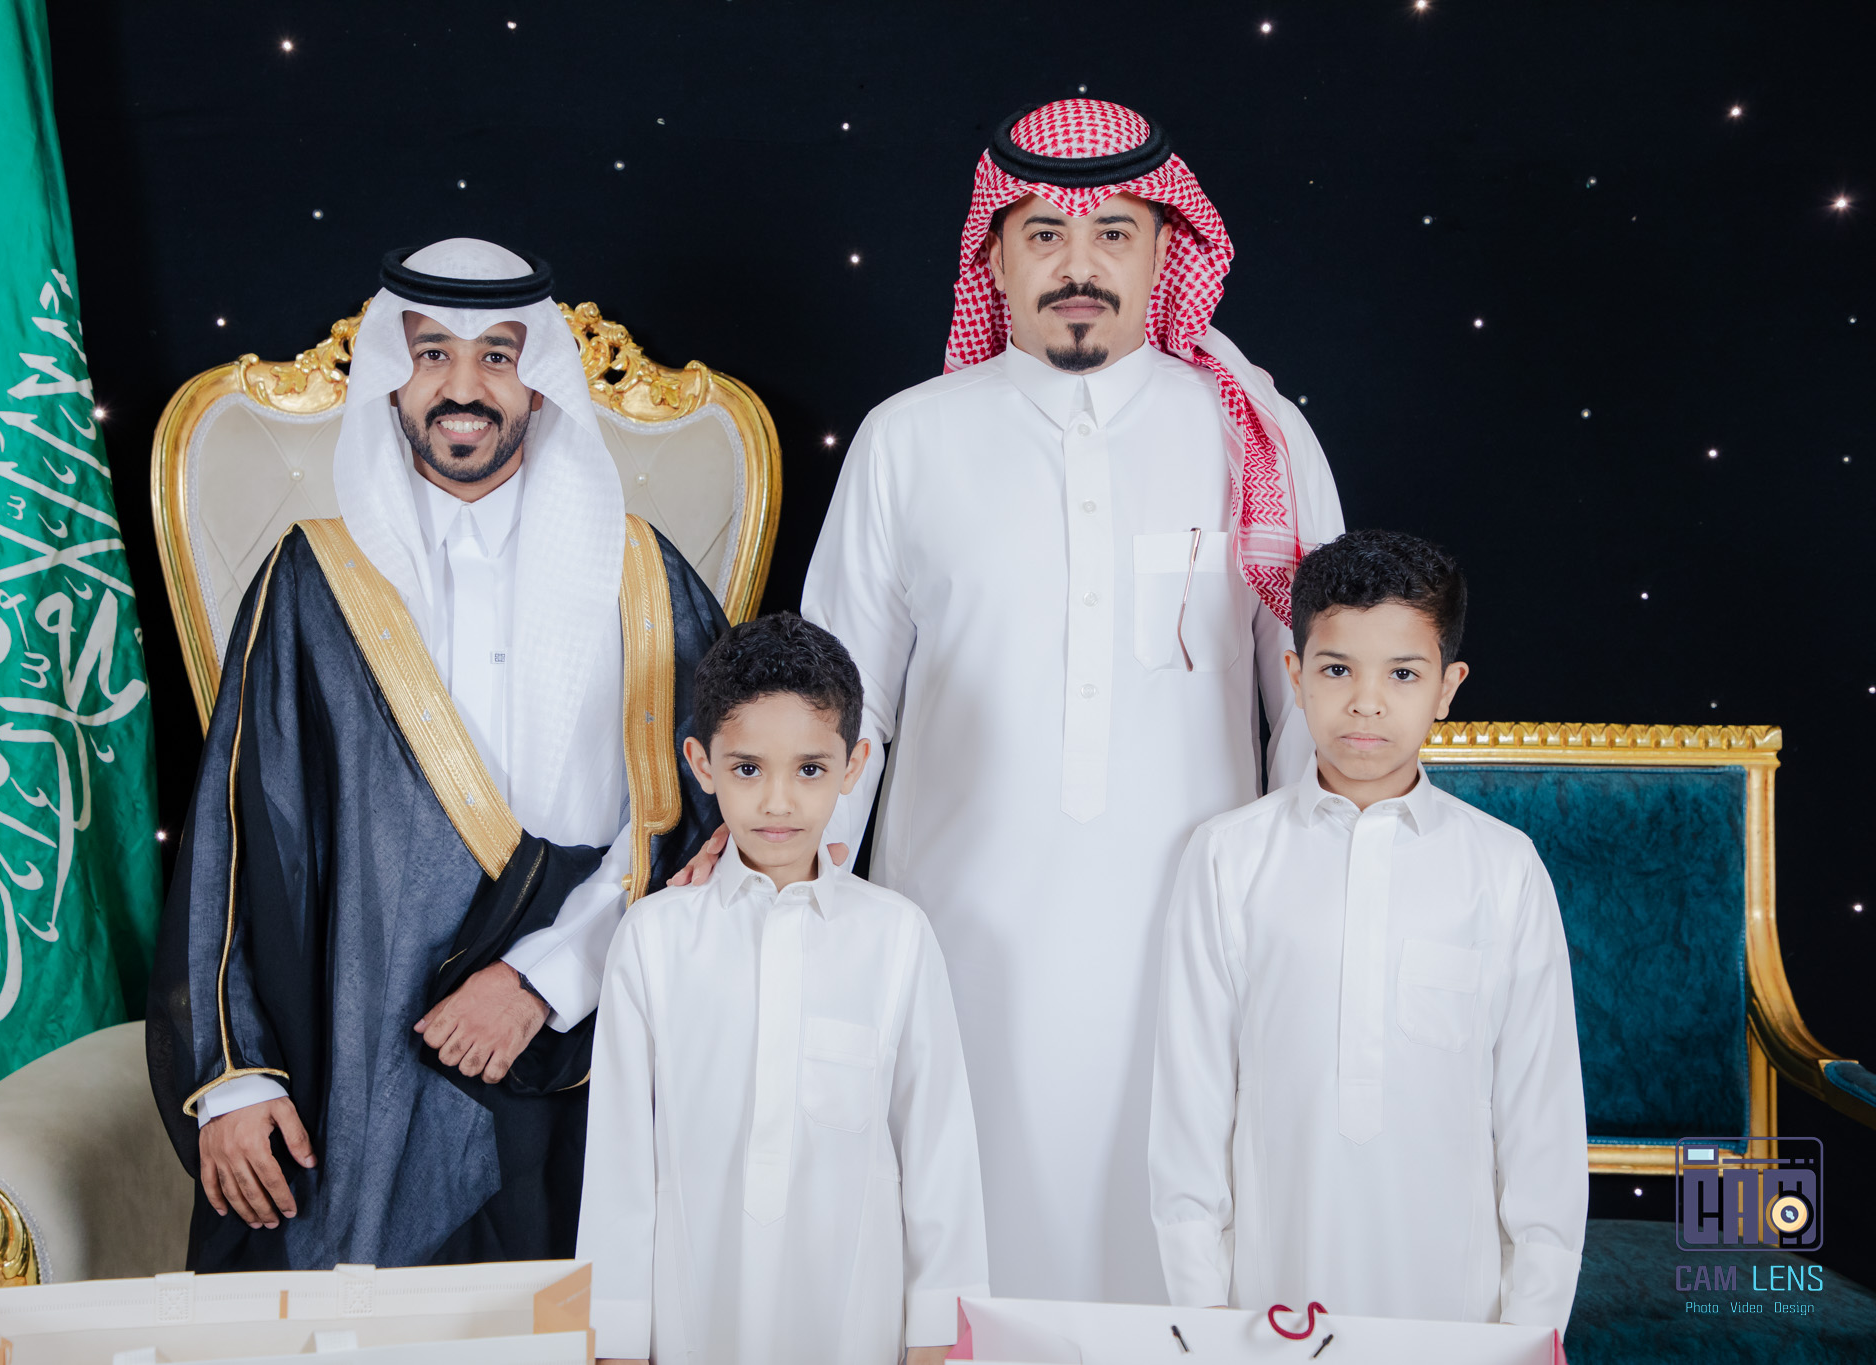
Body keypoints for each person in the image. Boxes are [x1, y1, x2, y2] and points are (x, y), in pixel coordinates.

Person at [790, 97, 1346, 1301]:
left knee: (1179, 1241)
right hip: (956, 935)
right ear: (993, 258)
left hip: (1192, 937)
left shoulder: (1252, 435)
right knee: (960, 1248)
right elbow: (837, 706)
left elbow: (1315, 699)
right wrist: (804, 904)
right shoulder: (905, 440)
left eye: (1112, 235)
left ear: (1164, 251)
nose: (1077, 266)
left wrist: (1305, 908)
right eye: (1042, 235)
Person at [146, 238, 725, 1271]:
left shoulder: (640, 573)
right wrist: (235, 1074)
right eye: (431, 355)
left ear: (539, 383)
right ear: (390, 375)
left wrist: (545, 980)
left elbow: (708, 830)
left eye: (497, 355)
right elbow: (237, 836)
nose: (464, 388)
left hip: (587, 1046)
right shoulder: (312, 578)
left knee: (583, 1312)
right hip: (357, 1056)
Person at [1149, 530, 1587, 1329]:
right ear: (1295, 675)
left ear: (1448, 686)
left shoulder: (1502, 869)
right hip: (1266, 1306)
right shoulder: (1227, 858)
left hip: (1456, 1310)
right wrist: (1203, 1314)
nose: (1367, 701)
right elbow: (1190, 1106)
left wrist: (1531, 1330)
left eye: (1403, 673)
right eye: (1337, 669)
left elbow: (1542, 1120)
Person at [579, 613, 987, 1365]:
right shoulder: (655, 939)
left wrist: (939, 1339)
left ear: (854, 765)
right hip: (690, 1323)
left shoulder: (895, 937)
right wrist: (616, 1340)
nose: (777, 801)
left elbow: (941, 1159)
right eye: (747, 769)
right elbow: (618, 1166)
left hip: (853, 1329)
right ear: (701, 762)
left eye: (809, 769)